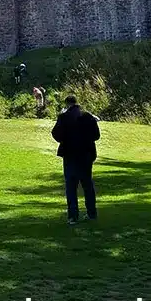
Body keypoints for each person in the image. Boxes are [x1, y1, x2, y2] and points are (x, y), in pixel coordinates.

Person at [51, 95, 100, 225]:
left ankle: (73, 216)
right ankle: (92, 213)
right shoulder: (88, 116)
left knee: (71, 187)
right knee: (87, 185)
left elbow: (56, 134)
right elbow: (96, 135)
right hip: (86, 155)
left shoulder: (64, 117)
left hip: (70, 155)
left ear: (67, 104)